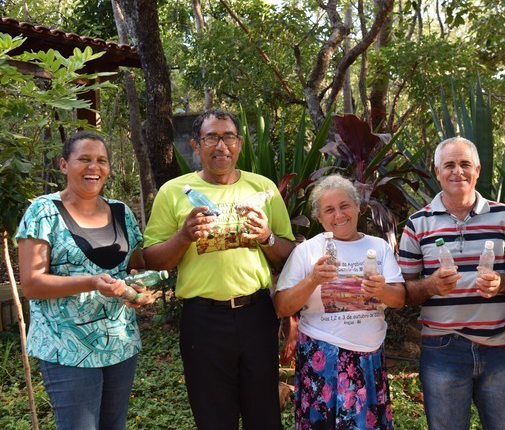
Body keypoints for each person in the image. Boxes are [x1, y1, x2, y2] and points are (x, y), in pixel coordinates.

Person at [142, 109, 296, 430]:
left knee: (264, 416)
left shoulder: (263, 188)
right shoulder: (174, 192)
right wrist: (183, 236)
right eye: (211, 137)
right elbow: (153, 260)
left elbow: (289, 256)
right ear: (196, 145)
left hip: (257, 315)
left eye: (228, 137)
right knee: (213, 418)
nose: (221, 145)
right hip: (203, 321)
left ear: (239, 144)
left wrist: (267, 237)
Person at [16, 130, 147, 430]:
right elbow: (32, 283)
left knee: (114, 426)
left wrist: (140, 287)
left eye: (101, 160)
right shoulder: (43, 212)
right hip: (66, 348)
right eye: (84, 159)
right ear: (64, 165)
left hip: (120, 343)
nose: (94, 167)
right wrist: (91, 282)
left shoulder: (121, 212)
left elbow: (135, 267)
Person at [398, 136, 505, 430]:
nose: (457, 171)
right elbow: (405, 291)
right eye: (449, 165)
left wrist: (503, 283)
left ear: (478, 170)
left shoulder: (504, 216)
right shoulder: (417, 223)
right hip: (442, 348)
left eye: (464, 164)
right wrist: (430, 286)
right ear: (437, 172)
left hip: (499, 345)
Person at [275, 175, 405, 429]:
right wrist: (312, 280)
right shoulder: (308, 251)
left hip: (369, 360)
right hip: (322, 360)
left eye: (345, 205)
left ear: (358, 206)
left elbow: (399, 299)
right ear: (319, 218)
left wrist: (381, 289)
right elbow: (282, 306)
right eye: (329, 210)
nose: (339, 215)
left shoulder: (378, 247)